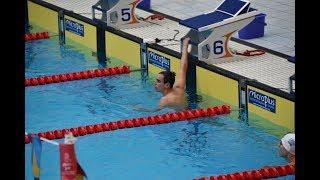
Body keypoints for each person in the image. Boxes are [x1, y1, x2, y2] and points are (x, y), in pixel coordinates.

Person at [135, 37, 191, 112]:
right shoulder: (179, 87)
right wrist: (185, 45)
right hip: (192, 112)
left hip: (184, 120)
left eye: (158, 81)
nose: (155, 83)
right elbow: (183, 67)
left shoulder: (165, 100)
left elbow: (154, 112)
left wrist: (141, 109)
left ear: (167, 85)